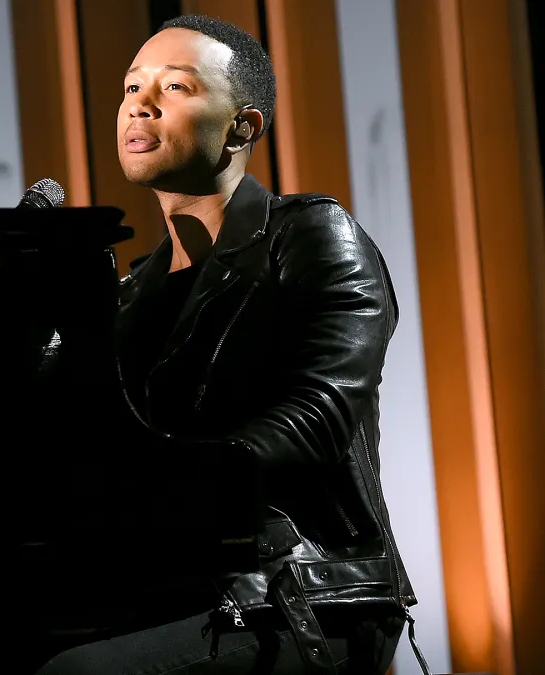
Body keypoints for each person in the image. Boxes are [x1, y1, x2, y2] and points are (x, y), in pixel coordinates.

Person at [33, 14, 427, 675]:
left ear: (243, 126)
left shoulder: (310, 234)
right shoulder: (131, 292)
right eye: (131, 87)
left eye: (175, 87)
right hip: (172, 588)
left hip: (302, 594)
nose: (140, 104)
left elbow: (318, 417)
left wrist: (159, 484)